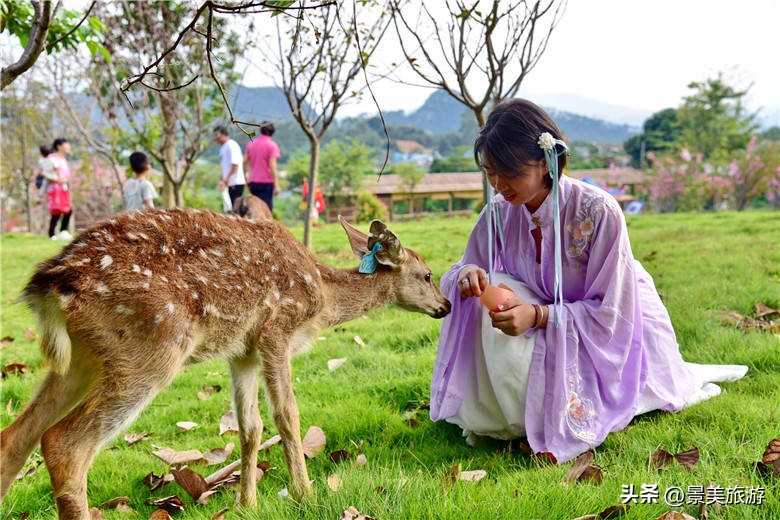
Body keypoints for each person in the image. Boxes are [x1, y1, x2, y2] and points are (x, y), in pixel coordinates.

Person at [430, 99, 748, 464]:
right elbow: (467, 265)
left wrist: (536, 316)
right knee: (490, 284)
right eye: (490, 172)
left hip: (618, 317)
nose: (499, 184)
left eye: (509, 172)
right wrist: (468, 274)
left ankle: (536, 407)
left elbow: (610, 313)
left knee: (627, 385)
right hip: (548, 313)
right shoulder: (498, 213)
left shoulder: (598, 212)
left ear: (546, 161)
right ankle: (500, 411)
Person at [244, 121, 281, 211]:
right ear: (272, 132)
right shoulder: (272, 145)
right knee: (266, 210)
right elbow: (272, 165)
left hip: (253, 182)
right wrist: (276, 184)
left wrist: (246, 179)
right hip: (266, 183)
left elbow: (244, 162)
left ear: (261, 130)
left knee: (254, 210)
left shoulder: (251, 143)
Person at [46, 138, 74, 240]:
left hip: (64, 188)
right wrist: (57, 180)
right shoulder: (51, 158)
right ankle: (52, 233)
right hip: (55, 188)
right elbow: (45, 173)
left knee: (67, 209)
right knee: (56, 211)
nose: (68, 147)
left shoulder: (63, 159)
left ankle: (63, 231)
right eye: (66, 145)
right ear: (59, 146)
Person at [213, 125, 246, 208]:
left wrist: (227, 178)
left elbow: (235, 164)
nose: (216, 139)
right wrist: (222, 180)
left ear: (224, 134)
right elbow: (224, 166)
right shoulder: (223, 148)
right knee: (230, 207)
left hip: (236, 182)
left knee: (236, 209)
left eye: (217, 136)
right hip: (229, 183)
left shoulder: (231, 145)